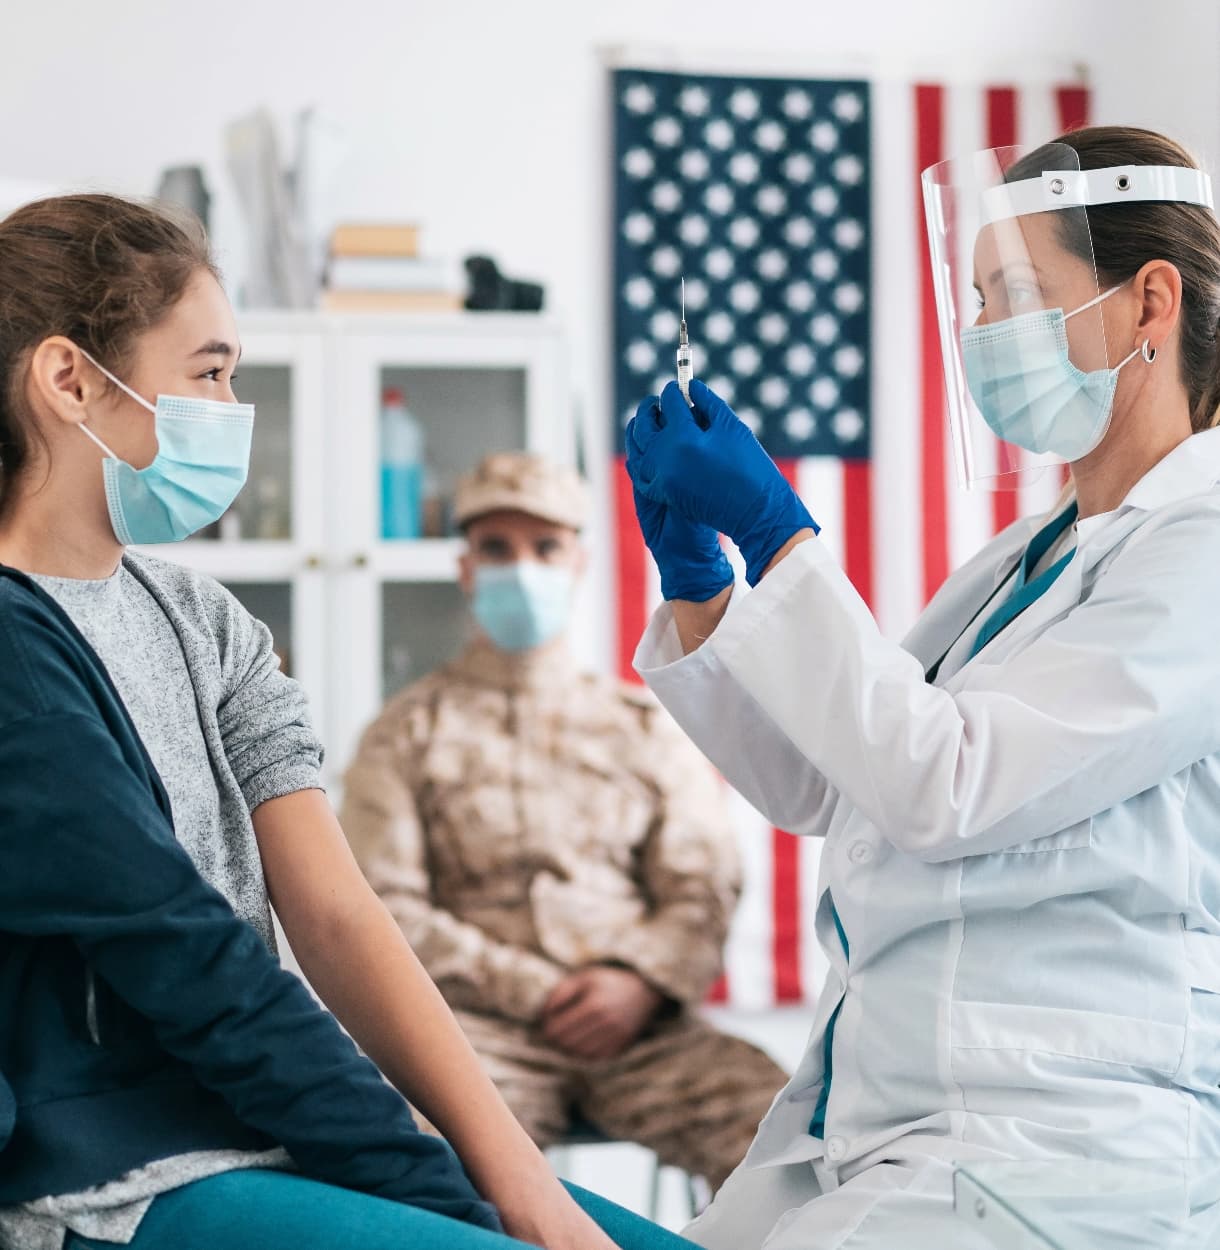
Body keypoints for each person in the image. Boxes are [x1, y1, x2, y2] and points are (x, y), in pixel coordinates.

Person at [0, 194, 693, 1250]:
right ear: (69, 379)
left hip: (271, 1129)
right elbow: (198, 967)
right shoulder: (14, 648)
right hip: (121, 1175)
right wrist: (460, 1203)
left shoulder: (203, 619)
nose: (234, 405)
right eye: (210, 371)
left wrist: (523, 1184)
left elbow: (338, 915)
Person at [623, 124, 1220, 1249]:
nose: (982, 331)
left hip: (1055, 1145)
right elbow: (829, 778)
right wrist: (702, 582)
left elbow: (948, 785)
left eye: (1012, 292)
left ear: (1149, 305)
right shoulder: (1029, 552)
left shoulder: (1203, 550)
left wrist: (779, 532)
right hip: (893, 1122)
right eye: (979, 297)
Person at [341, 451, 788, 1194]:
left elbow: (702, 881)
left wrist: (639, 982)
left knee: (790, 1138)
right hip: (474, 1035)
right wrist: (534, 991)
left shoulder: (645, 725)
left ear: (578, 562)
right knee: (412, 1165)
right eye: (496, 548)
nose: (521, 567)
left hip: (643, 1033)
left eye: (544, 547)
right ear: (465, 569)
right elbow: (382, 907)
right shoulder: (406, 732)